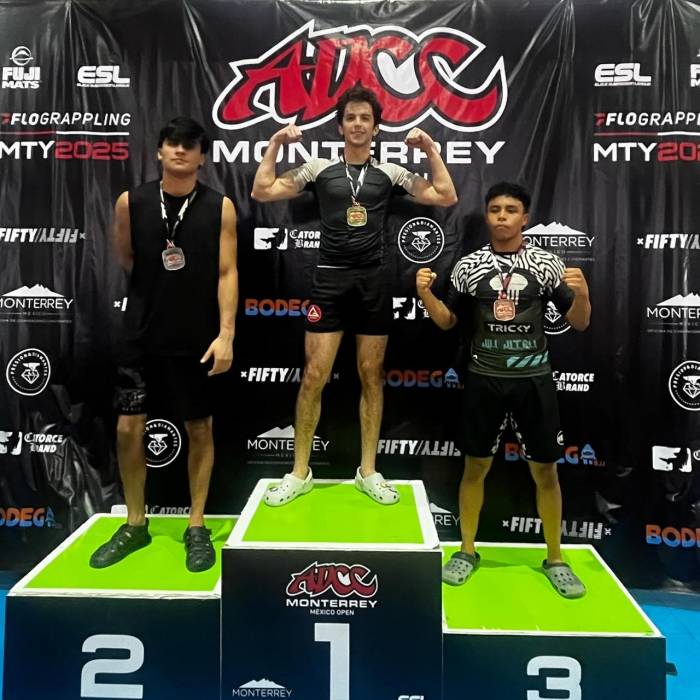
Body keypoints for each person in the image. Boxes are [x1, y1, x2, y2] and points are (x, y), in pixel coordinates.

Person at [252, 86, 457, 507]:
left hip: (373, 284)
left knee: (371, 375)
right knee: (314, 375)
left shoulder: (390, 173)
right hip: (329, 281)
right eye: (351, 118)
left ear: (376, 128)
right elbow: (263, 190)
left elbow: (445, 195)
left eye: (366, 118)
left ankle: (368, 471)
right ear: (341, 126)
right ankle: (299, 472)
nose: (358, 124)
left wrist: (430, 150)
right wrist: (274, 144)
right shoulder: (319, 169)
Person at [416, 182, 591, 598]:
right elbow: (447, 322)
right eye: (495, 209)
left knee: (546, 471)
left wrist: (583, 294)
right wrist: (424, 294)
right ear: (487, 215)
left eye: (511, 210)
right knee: (475, 467)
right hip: (484, 379)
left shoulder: (547, 264)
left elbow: (580, 322)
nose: (501, 217)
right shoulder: (469, 266)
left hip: (534, 380)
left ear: (524, 218)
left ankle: (555, 559)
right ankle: (466, 551)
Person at [90, 117, 238, 572]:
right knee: (127, 429)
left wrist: (226, 334)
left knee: (200, 429)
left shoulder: (220, 207)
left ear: (202, 157)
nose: (179, 151)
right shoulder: (130, 202)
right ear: (159, 151)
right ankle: (136, 523)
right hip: (141, 334)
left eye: (189, 145)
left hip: (197, 338)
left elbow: (227, 272)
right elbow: (127, 258)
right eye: (172, 143)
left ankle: (196, 525)